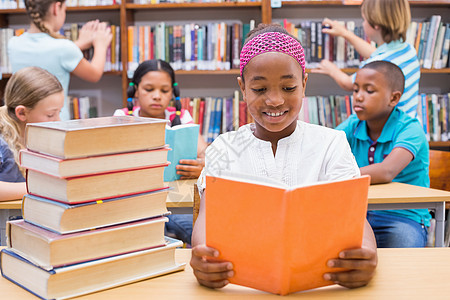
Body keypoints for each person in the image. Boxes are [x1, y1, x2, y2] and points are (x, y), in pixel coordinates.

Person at [190, 23, 377, 290]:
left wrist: (368, 253)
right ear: (243, 88)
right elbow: (207, 219)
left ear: (303, 84)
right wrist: (202, 255)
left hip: (321, 287)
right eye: (260, 89)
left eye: (288, 88)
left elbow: (355, 220)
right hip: (241, 288)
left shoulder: (331, 143)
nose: (275, 100)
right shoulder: (224, 148)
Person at [336, 61, 431, 248]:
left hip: (403, 217)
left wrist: (338, 176)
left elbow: (387, 171)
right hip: (360, 215)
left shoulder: (410, 128)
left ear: (393, 99)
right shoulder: (353, 124)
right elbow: (325, 148)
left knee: (402, 263)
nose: (358, 97)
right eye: (355, 90)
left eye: (369, 91)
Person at [114, 59, 208, 245]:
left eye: (164, 91)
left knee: (199, 234)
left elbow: (206, 153)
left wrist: (202, 165)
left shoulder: (181, 117)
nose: (157, 96)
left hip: (174, 199)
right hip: (135, 202)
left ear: (173, 93)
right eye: (149, 89)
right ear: (135, 90)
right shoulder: (122, 117)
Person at [312, 0, 420, 119]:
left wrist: (331, 69)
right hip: (409, 121)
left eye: (364, 19)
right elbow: (375, 54)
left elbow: (349, 84)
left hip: (390, 129)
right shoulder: (408, 49)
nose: (363, 24)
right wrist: (345, 33)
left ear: (376, 24)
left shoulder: (380, 65)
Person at [8, 0, 112, 121]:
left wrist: (77, 45)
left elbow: (47, 53)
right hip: (54, 123)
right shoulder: (64, 48)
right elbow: (95, 74)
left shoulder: (13, 44)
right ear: (56, 8)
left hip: (23, 122)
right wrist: (101, 44)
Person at [0, 66, 64, 202]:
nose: (58, 121)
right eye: (50, 114)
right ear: (22, 113)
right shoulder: (2, 142)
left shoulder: (38, 139)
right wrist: (40, 188)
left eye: (59, 112)